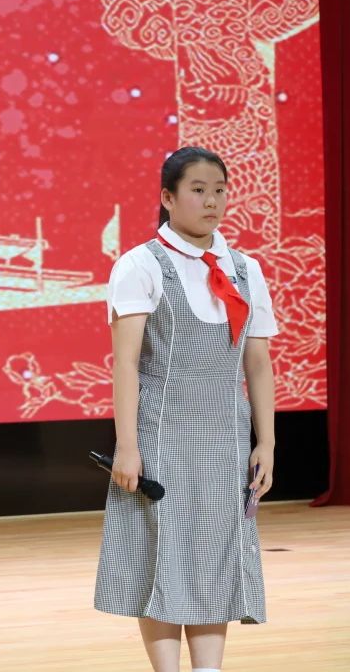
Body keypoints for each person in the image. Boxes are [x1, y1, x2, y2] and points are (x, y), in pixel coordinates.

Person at [94, 146, 278, 672]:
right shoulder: (140, 264)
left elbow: (258, 363)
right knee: (163, 551)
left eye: (219, 190)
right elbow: (126, 363)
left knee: (214, 552)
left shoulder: (245, 269)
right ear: (168, 198)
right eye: (198, 190)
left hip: (225, 436)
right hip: (161, 433)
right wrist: (127, 447)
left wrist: (266, 442)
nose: (211, 201)